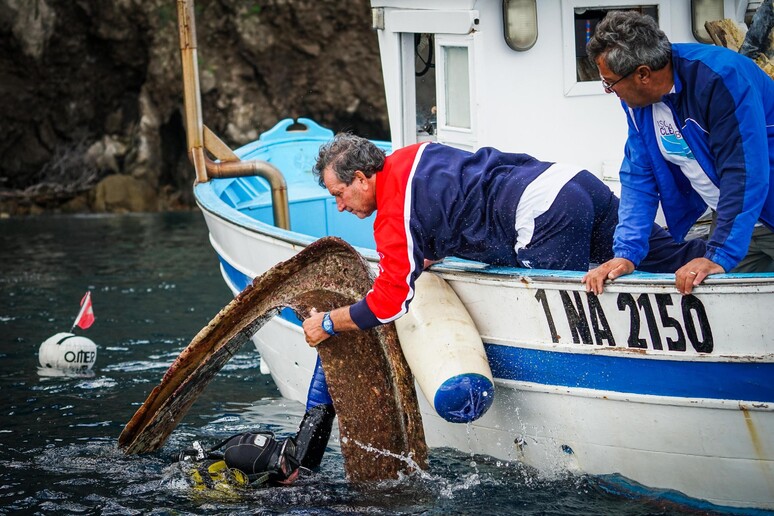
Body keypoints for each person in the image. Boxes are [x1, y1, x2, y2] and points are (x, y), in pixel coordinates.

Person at [302, 133, 705, 345]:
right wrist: (426, 252)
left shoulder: (392, 218)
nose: (339, 206)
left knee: (560, 315)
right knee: (677, 255)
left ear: (360, 178)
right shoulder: (414, 154)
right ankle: (743, 260)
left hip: (541, 213)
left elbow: (389, 304)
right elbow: (453, 199)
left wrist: (329, 322)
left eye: (338, 194)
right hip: (570, 181)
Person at [582, 10, 774, 296]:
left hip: (753, 211)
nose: (610, 91)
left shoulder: (721, 78)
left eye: (610, 83)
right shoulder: (638, 104)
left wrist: (719, 254)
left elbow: (743, 172)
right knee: (726, 318)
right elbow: (639, 176)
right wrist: (627, 253)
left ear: (643, 74)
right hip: (733, 222)